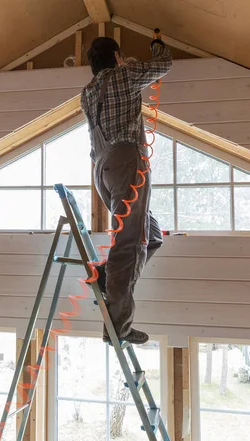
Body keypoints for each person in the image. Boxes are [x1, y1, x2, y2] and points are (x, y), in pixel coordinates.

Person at [81, 36, 172, 344]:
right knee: (129, 243)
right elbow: (164, 65)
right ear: (117, 56)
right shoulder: (124, 75)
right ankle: (117, 326)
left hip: (102, 169)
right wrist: (157, 46)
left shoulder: (88, 92)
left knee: (151, 235)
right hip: (125, 161)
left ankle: (108, 274)